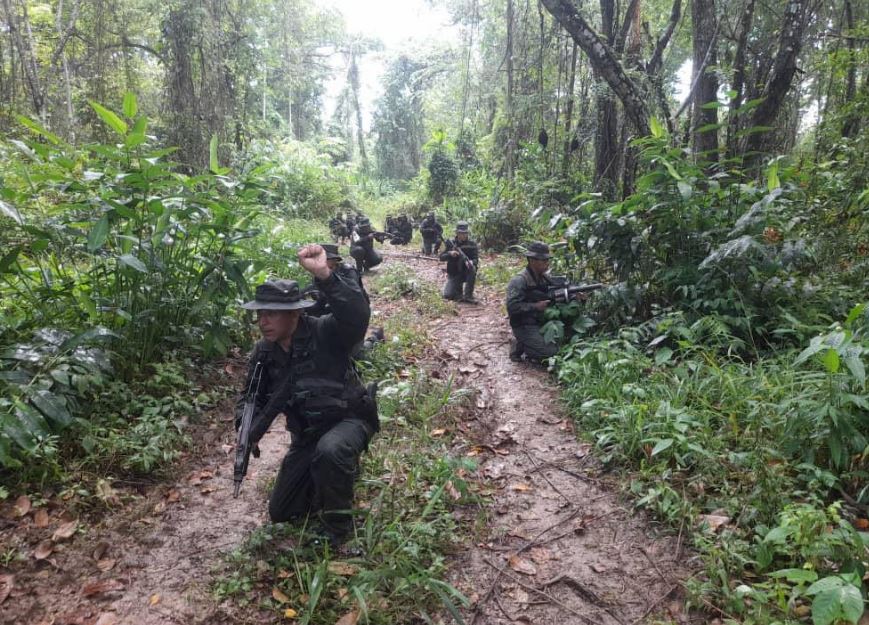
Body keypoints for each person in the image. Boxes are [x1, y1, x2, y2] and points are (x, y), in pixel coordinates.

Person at [236, 244, 377, 547]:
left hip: (349, 420)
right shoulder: (265, 352)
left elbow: (357, 316)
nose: (263, 321)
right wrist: (245, 426)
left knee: (331, 450)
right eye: (260, 314)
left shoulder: (326, 331)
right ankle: (329, 476)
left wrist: (324, 275)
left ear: (295, 314)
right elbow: (252, 396)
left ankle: (338, 528)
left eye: (272, 314)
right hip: (307, 436)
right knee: (282, 512)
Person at [505, 241, 562, 363]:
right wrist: (535, 306)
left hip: (541, 321)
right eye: (544, 260)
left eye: (548, 260)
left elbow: (555, 295)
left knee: (564, 342)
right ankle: (522, 345)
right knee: (552, 353)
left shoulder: (544, 278)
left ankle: (526, 343)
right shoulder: (520, 280)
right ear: (532, 261)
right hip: (524, 325)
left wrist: (575, 297)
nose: (547, 263)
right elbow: (512, 307)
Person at [439, 221, 479, 304]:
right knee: (448, 295)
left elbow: (476, 259)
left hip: (466, 273)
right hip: (454, 273)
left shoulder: (472, 244)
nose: (463, 235)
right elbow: (441, 257)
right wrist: (450, 253)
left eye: (465, 233)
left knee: (473, 268)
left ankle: (468, 295)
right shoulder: (450, 244)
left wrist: (471, 262)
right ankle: (458, 292)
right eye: (461, 233)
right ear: (457, 233)